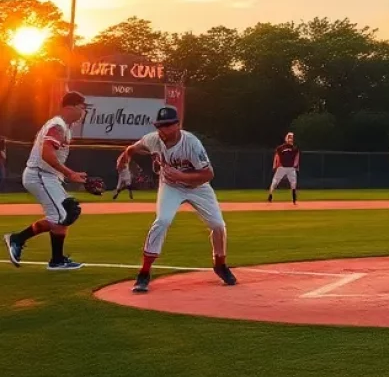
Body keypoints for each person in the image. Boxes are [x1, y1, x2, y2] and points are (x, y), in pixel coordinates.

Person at [117, 105, 235, 293]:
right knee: (162, 220)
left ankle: (220, 264)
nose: (162, 130)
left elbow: (208, 174)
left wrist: (182, 177)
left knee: (218, 225)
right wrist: (123, 162)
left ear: (177, 125)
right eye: (159, 126)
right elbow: (133, 149)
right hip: (171, 187)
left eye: (166, 126)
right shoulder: (153, 139)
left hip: (198, 187)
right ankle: (144, 273)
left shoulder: (191, 144)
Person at [4, 92, 91, 270]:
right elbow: (46, 154)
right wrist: (70, 174)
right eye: (82, 107)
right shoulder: (57, 125)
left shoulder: (64, 127)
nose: (84, 112)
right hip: (39, 175)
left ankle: (55, 258)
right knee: (64, 213)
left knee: (67, 213)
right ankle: (19, 239)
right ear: (70, 107)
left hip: (45, 176)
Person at [268, 132, 300, 204]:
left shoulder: (295, 148)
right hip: (282, 167)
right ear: (286, 138)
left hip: (291, 168)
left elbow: (297, 157)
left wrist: (296, 166)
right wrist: (275, 165)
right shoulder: (281, 148)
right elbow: (277, 156)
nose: (290, 139)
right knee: (275, 181)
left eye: (291, 138)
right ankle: (270, 194)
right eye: (289, 137)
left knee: (293, 182)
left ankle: (294, 198)